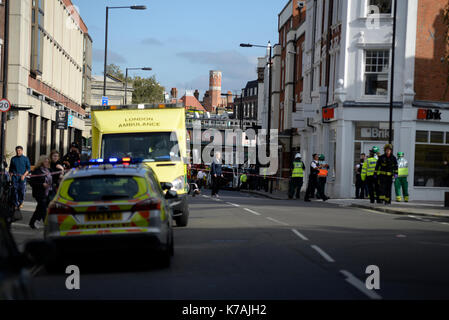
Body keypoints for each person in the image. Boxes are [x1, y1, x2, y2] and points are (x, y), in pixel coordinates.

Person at [29, 156, 53, 229]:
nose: (47, 163)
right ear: (41, 162)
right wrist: (42, 184)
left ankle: (32, 222)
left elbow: (53, 179)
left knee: (39, 208)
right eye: (45, 161)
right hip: (39, 193)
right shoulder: (37, 171)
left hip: (48, 192)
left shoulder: (49, 170)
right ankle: (47, 224)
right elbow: (31, 182)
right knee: (43, 209)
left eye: (48, 161)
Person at [9, 146, 31, 210]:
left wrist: (24, 175)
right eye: (17, 150)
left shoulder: (25, 159)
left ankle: (20, 202)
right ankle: (16, 204)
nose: (18, 152)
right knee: (14, 191)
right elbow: (11, 169)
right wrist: (11, 175)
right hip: (15, 178)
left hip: (22, 178)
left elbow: (28, 169)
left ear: (22, 151)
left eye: (19, 150)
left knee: (22, 191)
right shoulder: (13, 159)